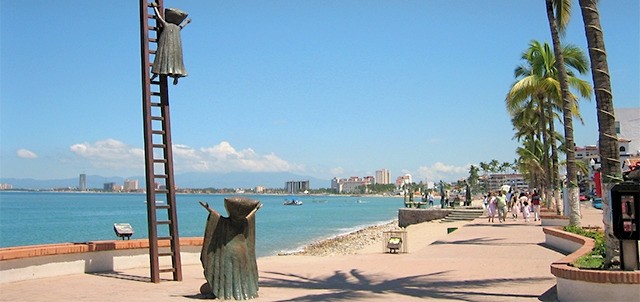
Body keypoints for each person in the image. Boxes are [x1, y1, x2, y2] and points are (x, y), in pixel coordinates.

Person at [199, 197, 262, 300]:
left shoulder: (225, 222)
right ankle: (245, 293)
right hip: (243, 251)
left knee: (228, 273)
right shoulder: (245, 222)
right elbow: (250, 216)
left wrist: (208, 209)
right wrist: (256, 210)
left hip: (228, 251)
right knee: (240, 274)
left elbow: (216, 217)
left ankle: (225, 293)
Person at [151, 3, 191, 85]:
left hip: (165, 47)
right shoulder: (176, 28)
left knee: (161, 60)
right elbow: (182, 26)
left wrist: (154, 8)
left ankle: (155, 74)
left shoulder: (167, 25)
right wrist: (186, 21)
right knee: (175, 62)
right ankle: (176, 76)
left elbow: (158, 17)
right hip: (173, 49)